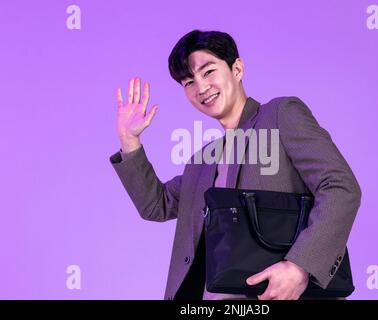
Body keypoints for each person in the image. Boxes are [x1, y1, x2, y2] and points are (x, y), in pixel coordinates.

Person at [109, 30, 362, 300]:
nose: (201, 87)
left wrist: (300, 266)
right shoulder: (202, 161)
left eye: (208, 72)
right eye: (188, 82)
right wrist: (129, 140)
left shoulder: (279, 115)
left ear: (237, 69)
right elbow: (156, 206)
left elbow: (340, 186)